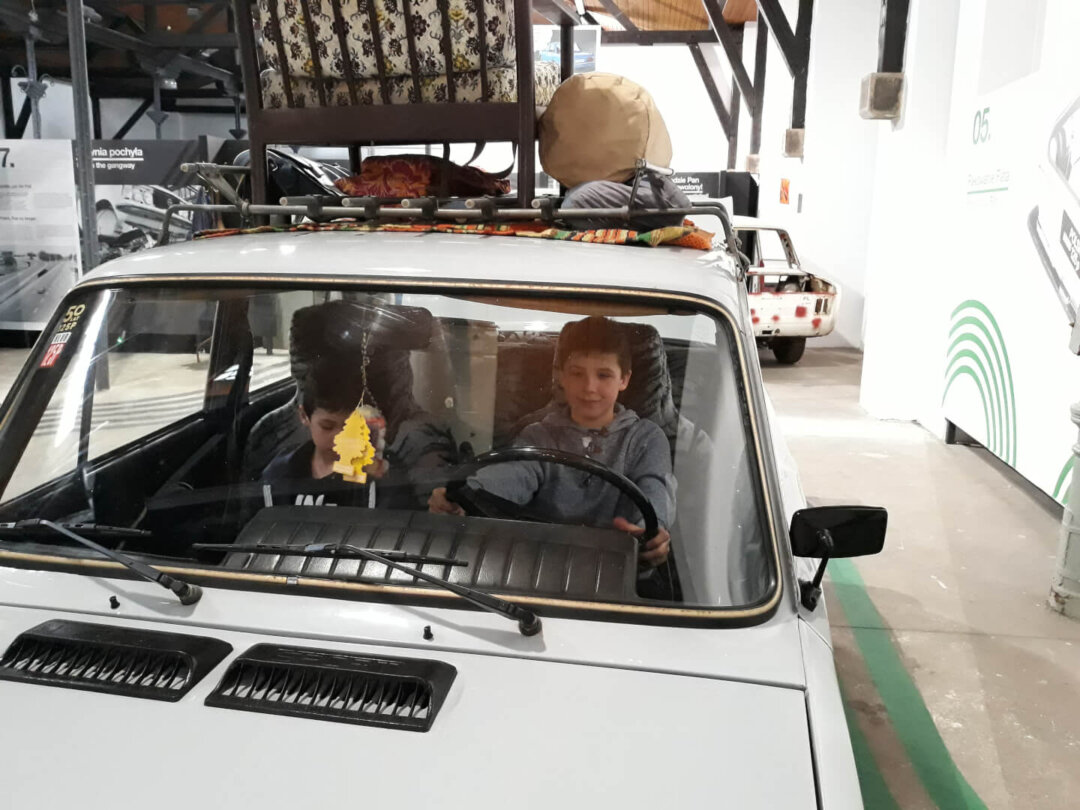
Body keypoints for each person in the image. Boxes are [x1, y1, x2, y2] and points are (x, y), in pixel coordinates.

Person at [428, 316, 675, 568]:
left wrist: (650, 532)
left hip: (617, 567)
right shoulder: (538, 434)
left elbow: (655, 489)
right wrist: (464, 495)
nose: (589, 387)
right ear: (562, 377)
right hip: (541, 565)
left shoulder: (646, 438)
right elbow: (514, 474)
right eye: (577, 374)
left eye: (604, 375)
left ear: (624, 379)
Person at [261, 359, 387, 482]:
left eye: (351, 428)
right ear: (304, 416)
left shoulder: (379, 473)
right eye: (327, 427)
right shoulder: (281, 472)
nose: (339, 438)